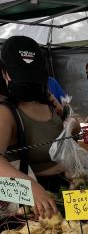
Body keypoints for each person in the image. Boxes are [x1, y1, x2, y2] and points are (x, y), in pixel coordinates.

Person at [0, 36, 63, 217]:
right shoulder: (6, 112)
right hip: (28, 209)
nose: (30, 83)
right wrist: (30, 186)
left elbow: (61, 133)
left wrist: (66, 168)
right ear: (4, 73)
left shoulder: (47, 102)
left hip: (59, 195)